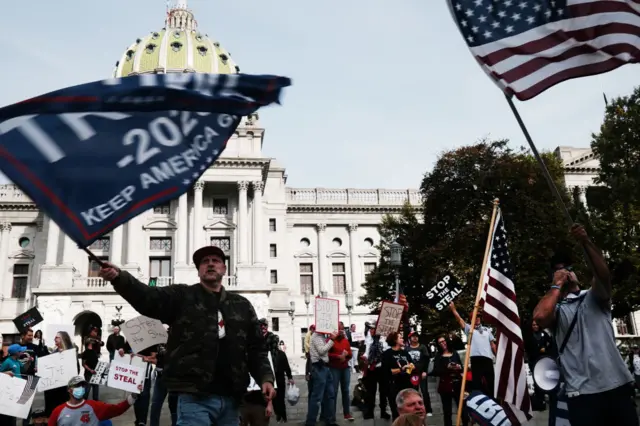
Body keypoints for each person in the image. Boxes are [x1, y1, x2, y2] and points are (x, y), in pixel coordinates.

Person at [99, 245, 275, 426]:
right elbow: (148, 297)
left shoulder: (242, 305)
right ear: (199, 271)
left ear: (224, 268)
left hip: (232, 398)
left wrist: (266, 378)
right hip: (194, 397)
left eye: (215, 261)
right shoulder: (182, 297)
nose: (210, 264)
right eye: (205, 262)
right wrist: (119, 278)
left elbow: (256, 348)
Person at [533, 225, 638, 426]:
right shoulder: (557, 309)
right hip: (581, 395)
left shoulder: (593, 297)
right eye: (560, 271)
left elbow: (603, 275)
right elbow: (540, 317)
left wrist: (586, 242)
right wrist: (556, 285)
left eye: (569, 269)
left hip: (615, 387)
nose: (566, 273)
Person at [47, 375, 138, 426]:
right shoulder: (58, 411)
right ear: (69, 390)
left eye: (82, 386)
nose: (81, 388)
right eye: (77, 386)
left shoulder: (94, 406)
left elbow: (117, 409)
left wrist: (133, 396)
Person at [448, 302, 496, 397]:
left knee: (491, 383)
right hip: (476, 359)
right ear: (471, 319)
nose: (477, 318)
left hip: (487, 359)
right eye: (475, 317)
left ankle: (495, 402)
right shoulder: (469, 329)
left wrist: (498, 356)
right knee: (477, 384)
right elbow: (459, 320)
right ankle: (479, 402)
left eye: (478, 316)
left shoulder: (487, 330)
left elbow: (493, 345)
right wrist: (453, 309)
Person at [305, 327, 339, 426]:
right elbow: (322, 351)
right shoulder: (316, 336)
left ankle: (329, 420)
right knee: (317, 397)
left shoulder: (321, 336)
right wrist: (332, 340)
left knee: (330, 395)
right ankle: (311, 422)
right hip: (319, 368)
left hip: (324, 367)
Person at [432, 335, 467, 426]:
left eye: (443, 341)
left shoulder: (454, 353)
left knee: (462, 408)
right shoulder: (438, 356)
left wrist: (459, 367)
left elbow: (462, 368)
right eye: (440, 342)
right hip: (445, 385)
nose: (442, 343)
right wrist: (446, 367)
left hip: (457, 384)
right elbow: (435, 371)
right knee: (447, 411)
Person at [382, 332, 416, 420]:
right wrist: (402, 368)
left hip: (407, 385)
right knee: (397, 413)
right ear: (395, 340)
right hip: (394, 387)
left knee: (409, 412)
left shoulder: (405, 353)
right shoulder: (387, 354)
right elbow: (387, 371)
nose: (403, 339)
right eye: (400, 337)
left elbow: (411, 364)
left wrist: (411, 367)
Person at [44, 332, 78, 417]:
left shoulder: (70, 353)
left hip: (65, 389)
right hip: (53, 390)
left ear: (63, 339)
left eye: (57, 337)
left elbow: (76, 369)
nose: (55, 339)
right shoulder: (53, 353)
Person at [328, 323, 353, 422]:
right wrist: (337, 356)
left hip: (345, 367)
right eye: (338, 329)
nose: (340, 331)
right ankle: (332, 416)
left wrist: (346, 355)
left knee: (346, 391)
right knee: (333, 391)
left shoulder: (345, 341)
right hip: (334, 368)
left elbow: (350, 353)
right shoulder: (330, 341)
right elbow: (327, 354)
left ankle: (347, 413)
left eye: (341, 329)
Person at [406, 331, 433, 417]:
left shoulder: (422, 347)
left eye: (416, 336)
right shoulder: (407, 349)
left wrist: (425, 371)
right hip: (411, 373)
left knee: (425, 391)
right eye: (413, 336)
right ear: (410, 338)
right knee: (413, 392)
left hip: (421, 373)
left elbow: (426, 360)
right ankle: (414, 410)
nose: (415, 338)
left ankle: (428, 410)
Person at [274, 341, 293, 423]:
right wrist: (289, 377)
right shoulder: (279, 353)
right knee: (278, 399)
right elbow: (287, 366)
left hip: (277, 379)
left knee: (278, 399)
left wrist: (290, 377)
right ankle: (281, 416)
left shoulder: (279, 354)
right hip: (277, 379)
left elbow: (286, 366)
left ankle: (281, 415)